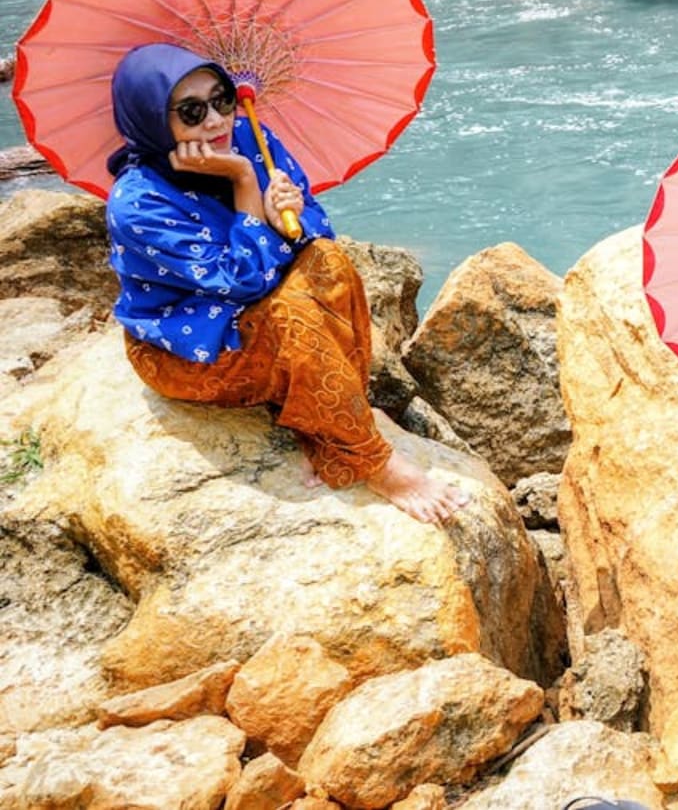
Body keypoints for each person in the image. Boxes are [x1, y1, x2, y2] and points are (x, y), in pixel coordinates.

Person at [104, 43, 467, 524]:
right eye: (192, 111)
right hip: (191, 353)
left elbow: (314, 228)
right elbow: (243, 282)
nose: (216, 121)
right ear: (151, 119)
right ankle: (373, 461)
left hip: (254, 314)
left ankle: (330, 427)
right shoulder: (137, 204)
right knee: (290, 313)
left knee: (329, 262)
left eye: (223, 99)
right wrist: (243, 183)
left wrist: (287, 214)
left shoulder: (252, 136)